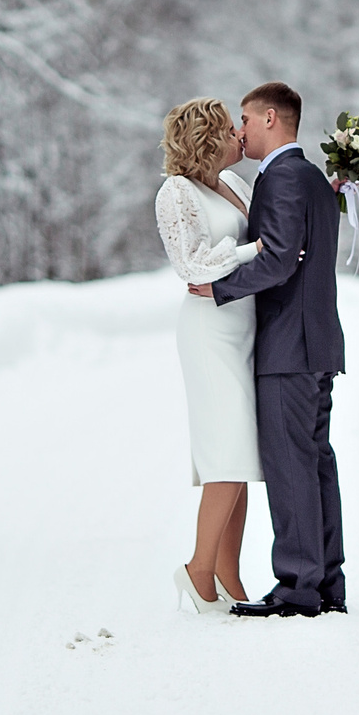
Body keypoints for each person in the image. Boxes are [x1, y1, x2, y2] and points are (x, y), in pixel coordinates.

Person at [192, 81, 346, 618]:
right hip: (318, 341)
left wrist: (220, 288)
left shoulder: (280, 178)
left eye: (246, 118)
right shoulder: (312, 181)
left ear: (272, 119)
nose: (240, 129)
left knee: (291, 465)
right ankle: (327, 584)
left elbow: (280, 260)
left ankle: (297, 588)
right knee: (317, 462)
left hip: (288, 346)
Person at [153, 98, 267, 614]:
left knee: (238, 457)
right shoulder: (176, 193)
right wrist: (250, 252)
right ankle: (198, 572)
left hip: (243, 326)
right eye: (227, 130)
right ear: (203, 140)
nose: (239, 136)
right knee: (227, 450)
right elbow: (192, 267)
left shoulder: (237, 185)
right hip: (208, 331)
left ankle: (229, 578)